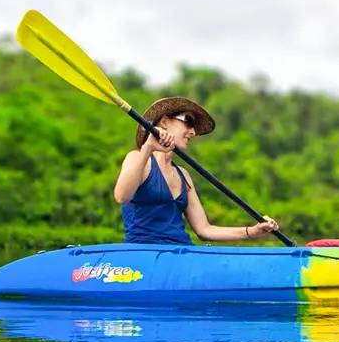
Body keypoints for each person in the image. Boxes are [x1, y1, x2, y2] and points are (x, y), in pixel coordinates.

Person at [112, 96, 280, 245]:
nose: (192, 132)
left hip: (181, 253)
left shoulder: (183, 175)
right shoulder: (138, 158)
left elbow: (204, 230)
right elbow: (121, 196)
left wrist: (253, 231)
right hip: (145, 256)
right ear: (164, 121)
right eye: (188, 121)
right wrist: (148, 147)